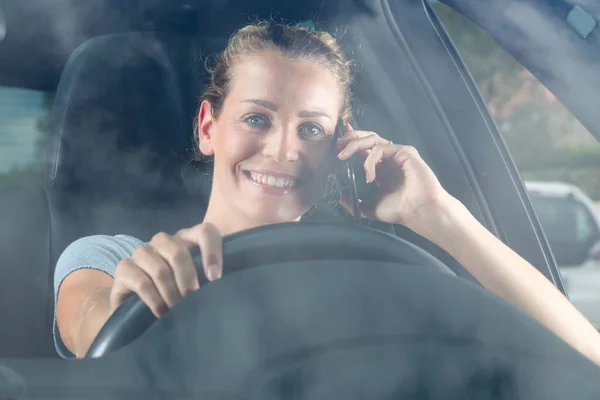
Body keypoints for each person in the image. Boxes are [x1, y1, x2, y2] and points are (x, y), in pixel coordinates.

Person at [54, 22, 600, 365]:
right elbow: (90, 328)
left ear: (340, 143)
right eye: (257, 118)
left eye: (312, 128)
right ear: (207, 126)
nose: (286, 150)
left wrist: (438, 216)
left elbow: (583, 362)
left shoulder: (379, 276)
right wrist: (138, 302)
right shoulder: (112, 258)